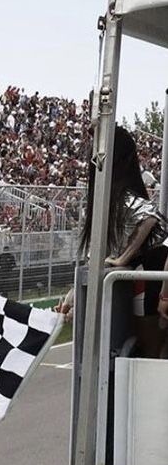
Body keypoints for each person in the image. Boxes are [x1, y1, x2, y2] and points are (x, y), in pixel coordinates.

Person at [80, 125, 168, 357]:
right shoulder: (108, 200)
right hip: (147, 279)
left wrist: (123, 259)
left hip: (152, 278)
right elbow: (96, 254)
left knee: (152, 351)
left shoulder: (123, 197)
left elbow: (149, 218)